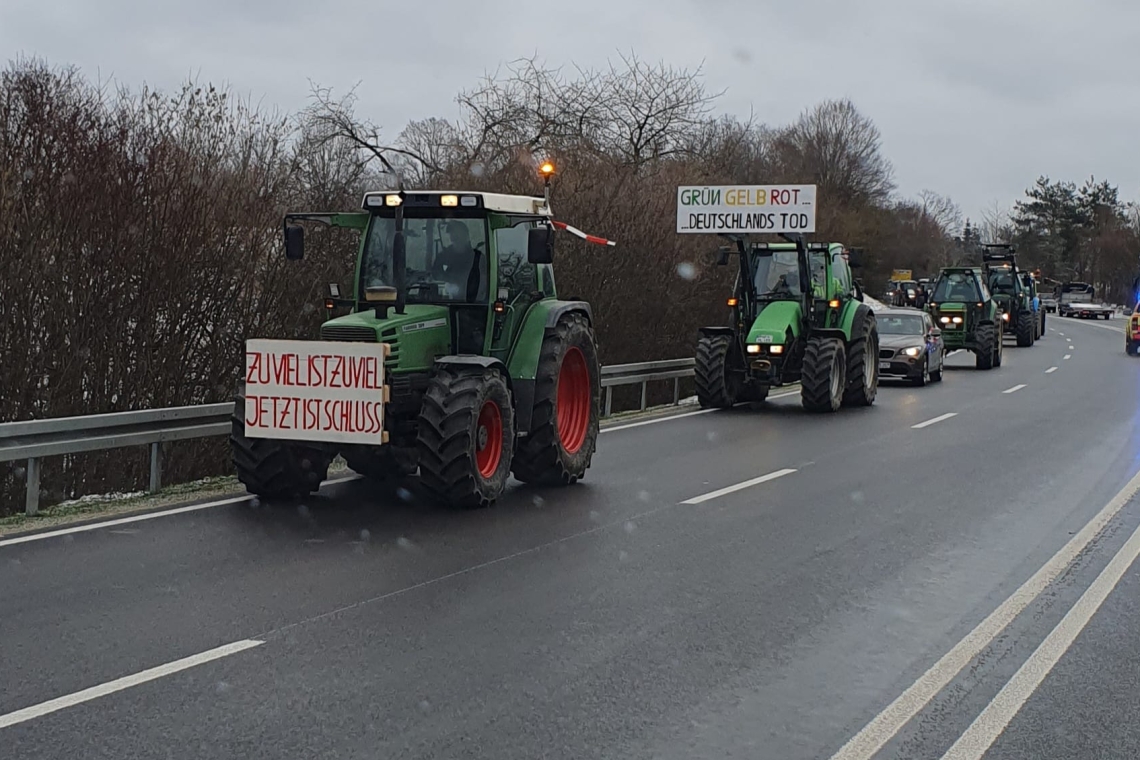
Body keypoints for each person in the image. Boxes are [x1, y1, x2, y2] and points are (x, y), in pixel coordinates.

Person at [432, 221, 483, 301]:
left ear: (466, 237)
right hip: (443, 303)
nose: (453, 238)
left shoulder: (478, 259)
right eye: (452, 237)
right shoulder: (442, 257)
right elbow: (435, 277)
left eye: (457, 237)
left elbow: (484, 284)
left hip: (474, 305)